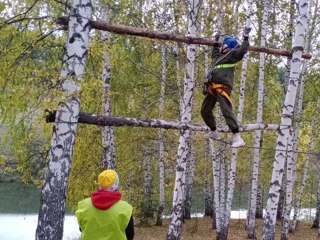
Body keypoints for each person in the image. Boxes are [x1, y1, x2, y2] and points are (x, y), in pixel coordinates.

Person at [201, 27, 251, 148]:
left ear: (228, 47)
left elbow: (243, 50)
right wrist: (216, 40)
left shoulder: (232, 55)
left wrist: (245, 37)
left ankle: (237, 137)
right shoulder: (218, 57)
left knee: (226, 110)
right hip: (213, 87)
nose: (222, 46)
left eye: (223, 44)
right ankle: (214, 132)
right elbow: (215, 51)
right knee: (205, 110)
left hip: (223, 87)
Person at [76, 169, 134, 240]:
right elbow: (130, 235)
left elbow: (82, 229)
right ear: (116, 185)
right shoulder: (126, 208)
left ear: (100, 184)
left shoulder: (84, 205)